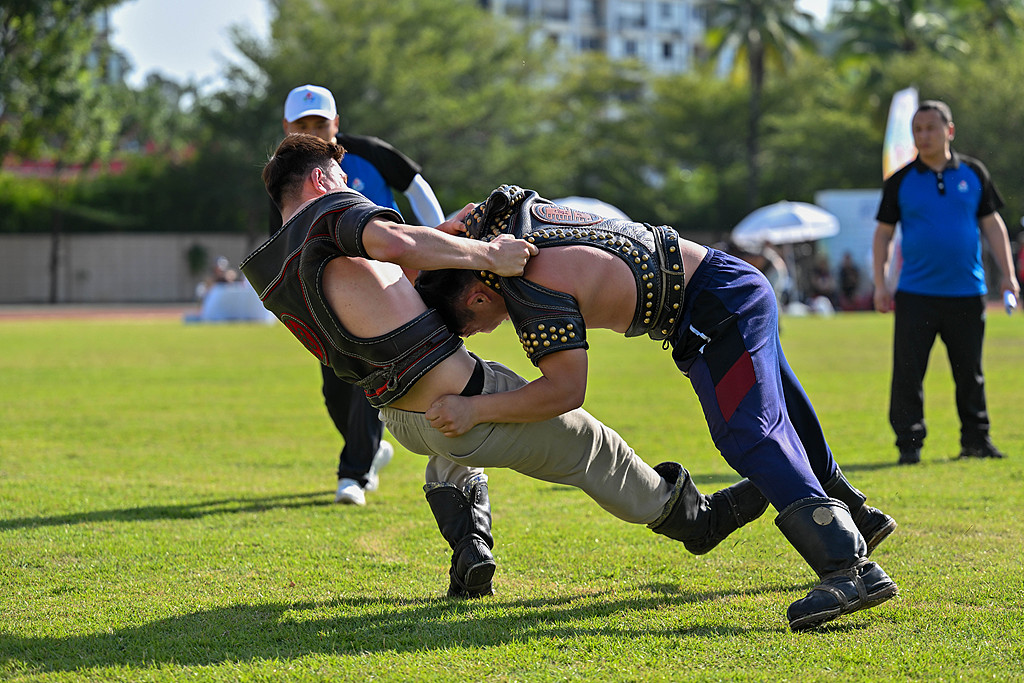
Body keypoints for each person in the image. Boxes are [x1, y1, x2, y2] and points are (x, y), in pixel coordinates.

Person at [241, 134, 770, 605]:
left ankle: (471, 550)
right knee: (592, 448)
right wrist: (488, 254)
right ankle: (693, 520)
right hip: (455, 397)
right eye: (338, 176)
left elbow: (381, 284)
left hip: (402, 416)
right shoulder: (331, 210)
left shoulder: (272, 270)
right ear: (319, 179)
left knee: (449, 451)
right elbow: (398, 243)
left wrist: (443, 237)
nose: (347, 185)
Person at [415, 184, 899, 631]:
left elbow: (565, 392)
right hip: (725, 284)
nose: (480, 333)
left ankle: (848, 567)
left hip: (712, 309)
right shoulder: (499, 218)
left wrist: (476, 410)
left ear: (477, 295)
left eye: (470, 325)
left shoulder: (525, 288)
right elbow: (455, 224)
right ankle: (857, 514)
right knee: (781, 419)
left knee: (748, 433)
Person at [272, 84, 447, 506]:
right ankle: (369, 450)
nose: (312, 131)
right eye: (302, 125)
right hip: (327, 290)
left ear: (336, 122)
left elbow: (417, 188)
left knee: (368, 371)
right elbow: (280, 238)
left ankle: (353, 474)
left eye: (319, 123)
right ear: (287, 128)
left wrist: (438, 244)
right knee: (336, 386)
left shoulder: (368, 152)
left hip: (386, 282)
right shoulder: (284, 175)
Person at [872, 100, 1019, 465]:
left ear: (949, 131)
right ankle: (909, 445)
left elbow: (992, 226)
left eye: (931, 128)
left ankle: (976, 441)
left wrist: (1009, 276)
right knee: (908, 373)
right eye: (917, 129)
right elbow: (883, 236)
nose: (923, 135)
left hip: (967, 293)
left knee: (970, 372)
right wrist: (879, 282)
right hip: (915, 294)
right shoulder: (900, 181)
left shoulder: (974, 173)